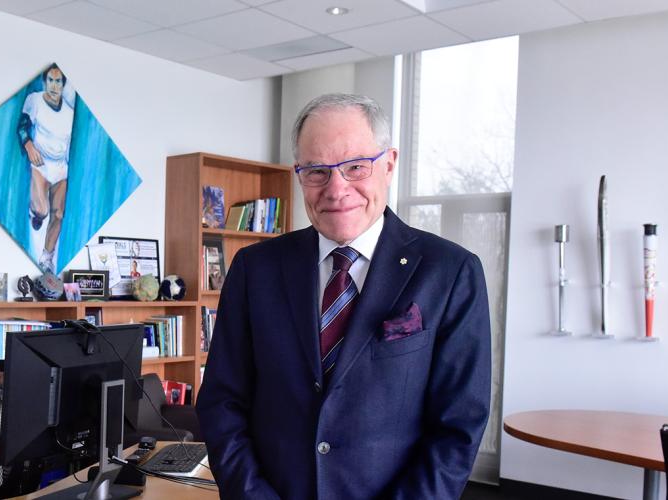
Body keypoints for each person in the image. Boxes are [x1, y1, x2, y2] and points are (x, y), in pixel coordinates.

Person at [196, 93, 491, 499]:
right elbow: (222, 402)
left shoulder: (451, 271)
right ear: (299, 174)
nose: (336, 189)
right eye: (316, 171)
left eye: (355, 167)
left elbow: (458, 427)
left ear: (388, 164)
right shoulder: (254, 269)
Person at [17, 63, 75, 274]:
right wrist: (29, 145)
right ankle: (37, 215)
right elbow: (22, 126)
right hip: (40, 164)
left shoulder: (69, 113)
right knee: (42, 210)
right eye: (50, 80)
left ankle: (46, 257)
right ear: (45, 82)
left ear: (62, 84)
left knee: (58, 214)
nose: (53, 85)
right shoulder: (35, 100)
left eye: (58, 81)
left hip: (60, 167)